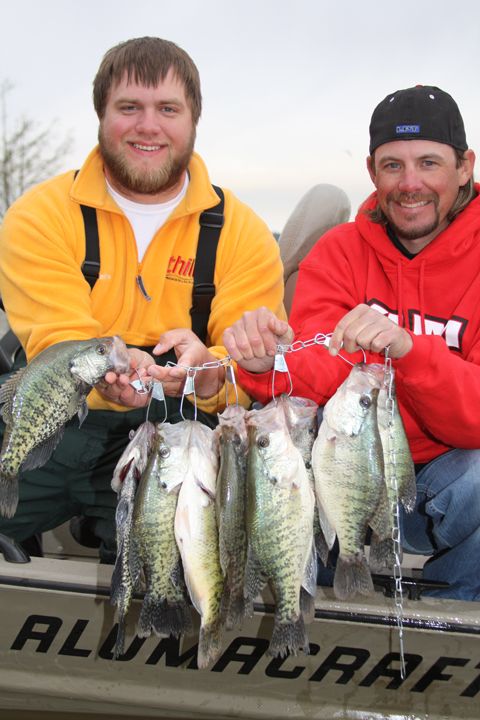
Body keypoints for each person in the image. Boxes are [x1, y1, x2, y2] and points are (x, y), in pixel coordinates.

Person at [0, 36, 284, 561]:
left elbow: (250, 364)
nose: (148, 126)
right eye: (128, 107)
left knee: (166, 565)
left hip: (177, 433)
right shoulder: (38, 215)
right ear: (102, 116)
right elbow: (59, 341)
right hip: (57, 423)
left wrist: (210, 374)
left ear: (194, 119)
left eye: (167, 109)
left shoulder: (243, 232)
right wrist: (114, 375)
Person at [224, 85, 480, 601]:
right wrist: (262, 366)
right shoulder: (339, 252)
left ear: (464, 166)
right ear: (371, 171)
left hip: (449, 481)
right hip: (346, 469)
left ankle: (451, 636)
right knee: (283, 459)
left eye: (429, 163)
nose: (410, 184)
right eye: (392, 166)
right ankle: (308, 622)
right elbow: (314, 369)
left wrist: (409, 350)